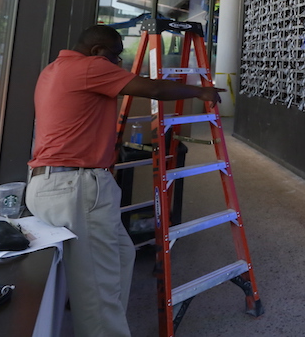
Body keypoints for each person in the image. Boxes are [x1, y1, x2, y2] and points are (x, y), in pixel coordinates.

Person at [26, 24, 223, 337]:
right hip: (75, 187)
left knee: (120, 255)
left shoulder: (53, 69)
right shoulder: (90, 67)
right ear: (97, 51)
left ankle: (91, 312)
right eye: (115, 56)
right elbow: (154, 90)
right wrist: (200, 91)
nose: (118, 64)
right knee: (99, 287)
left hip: (54, 183)